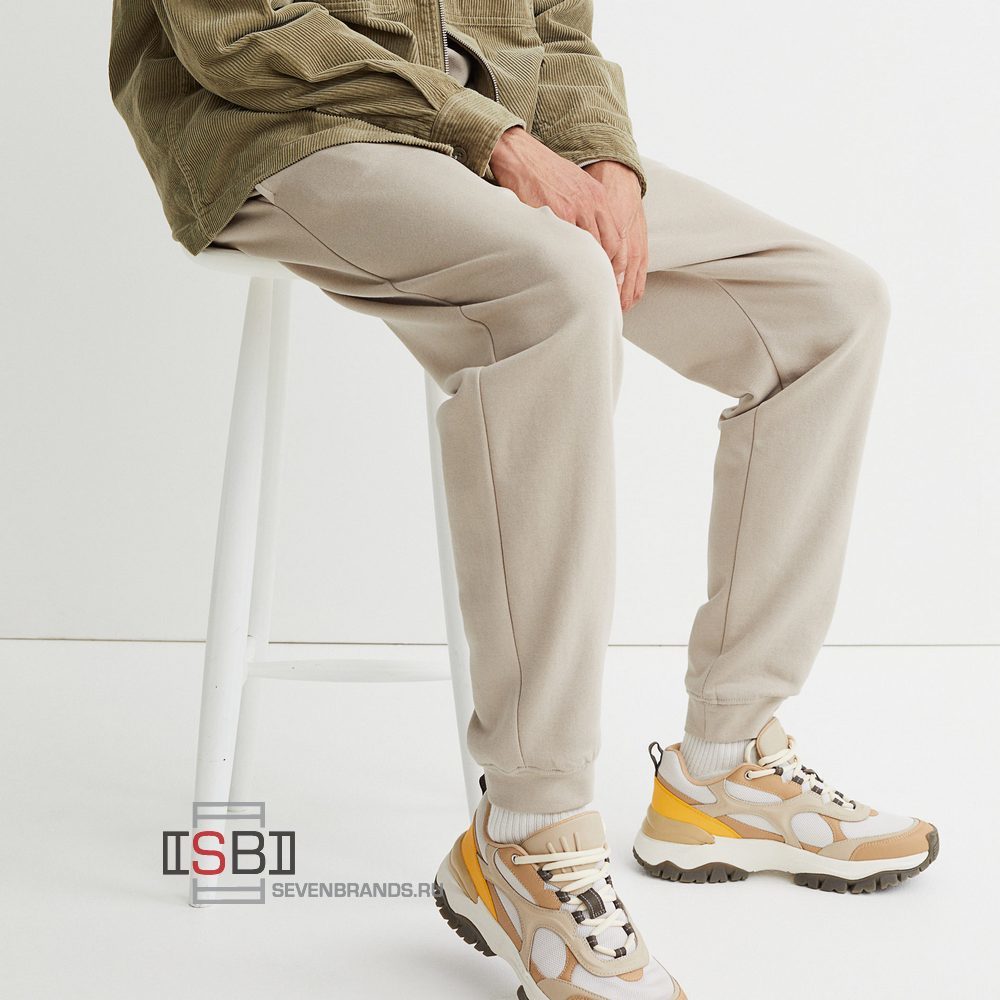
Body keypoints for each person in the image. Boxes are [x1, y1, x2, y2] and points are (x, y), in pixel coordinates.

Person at [110, 3, 938, 997]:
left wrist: (607, 162)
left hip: (500, 133)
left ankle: (724, 764)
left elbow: (557, 28)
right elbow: (239, 32)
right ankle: (529, 830)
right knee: (557, 288)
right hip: (289, 127)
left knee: (828, 307)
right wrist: (493, 139)